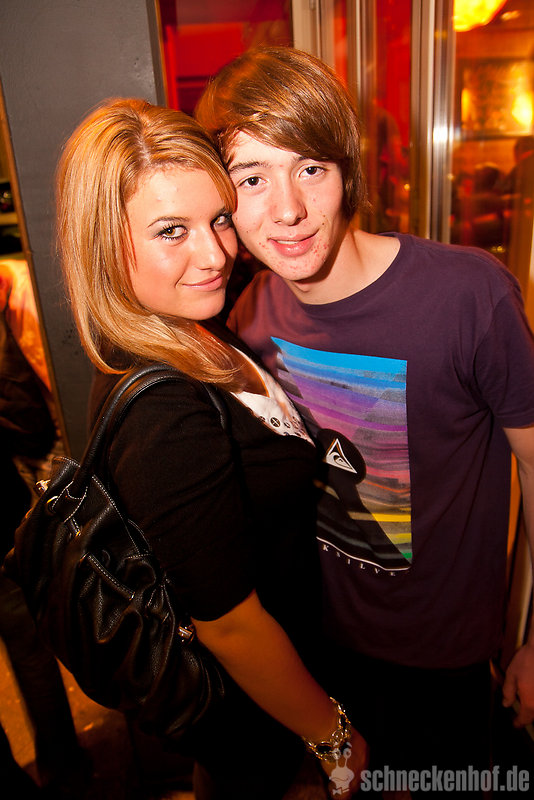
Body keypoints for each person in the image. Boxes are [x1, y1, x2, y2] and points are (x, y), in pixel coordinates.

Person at [195, 46, 534, 790]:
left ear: (348, 172)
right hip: (321, 651)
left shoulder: (469, 297)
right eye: (251, 178)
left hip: (445, 661)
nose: (287, 209)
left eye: (310, 168)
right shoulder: (251, 313)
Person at [55, 97, 369, 800]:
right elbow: (228, 622)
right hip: (269, 739)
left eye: (219, 219)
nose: (217, 253)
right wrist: (336, 742)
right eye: (172, 230)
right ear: (103, 244)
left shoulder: (194, 326)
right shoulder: (162, 409)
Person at [0, 257, 89, 797]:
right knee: (29, 642)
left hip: (31, 464)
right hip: (16, 479)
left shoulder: (19, 290)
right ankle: (65, 769)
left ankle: (62, 767)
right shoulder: (15, 289)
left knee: (30, 640)